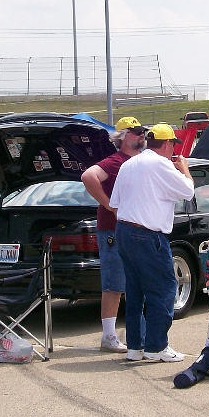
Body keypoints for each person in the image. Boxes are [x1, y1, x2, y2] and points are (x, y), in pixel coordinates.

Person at [110, 123, 194, 362]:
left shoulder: (129, 164)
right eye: (172, 145)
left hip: (124, 231)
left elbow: (115, 202)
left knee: (135, 292)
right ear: (167, 144)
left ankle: (135, 347)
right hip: (147, 234)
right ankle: (157, 346)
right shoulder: (161, 164)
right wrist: (184, 169)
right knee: (164, 289)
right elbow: (188, 191)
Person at [81, 117, 147, 353]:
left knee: (134, 283)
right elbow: (89, 176)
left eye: (143, 131)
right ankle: (109, 336)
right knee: (114, 283)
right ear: (123, 136)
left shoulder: (140, 162)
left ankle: (139, 334)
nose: (142, 135)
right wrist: (109, 205)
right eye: (137, 131)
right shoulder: (114, 162)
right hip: (112, 229)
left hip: (135, 229)